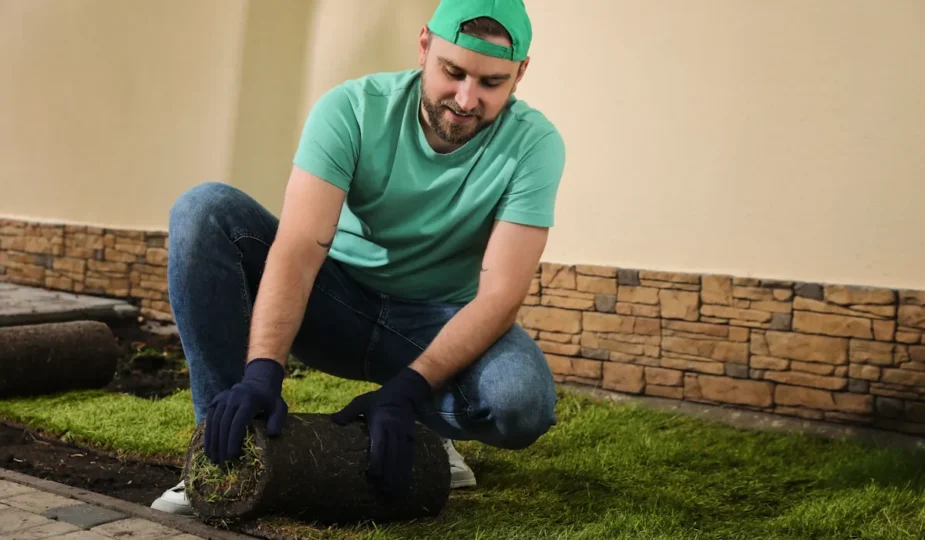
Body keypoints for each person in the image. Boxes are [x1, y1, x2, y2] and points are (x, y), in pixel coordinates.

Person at [151, 0, 565, 515]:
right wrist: (261, 372)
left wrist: (410, 390)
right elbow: (300, 249)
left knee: (521, 404)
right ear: (424, 46)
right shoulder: (352, 108)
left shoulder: (535, 145)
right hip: (337, 300)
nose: (464, 99)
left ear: (521, 73)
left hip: (435, 321)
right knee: (203, 211)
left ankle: (424, 429)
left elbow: (501, 293)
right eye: (452, 72)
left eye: (491, 83)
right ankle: (220, 449)